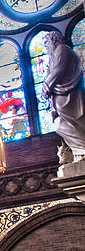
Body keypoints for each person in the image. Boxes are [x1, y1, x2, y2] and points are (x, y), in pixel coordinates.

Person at [42, 30, 85, 163]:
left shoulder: (62, 49)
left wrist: (47, 86)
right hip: (62, 95)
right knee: (60, 124)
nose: (46, 47)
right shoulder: (54, 55)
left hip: (69, 96)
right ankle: (80, 151)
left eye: (46, 43)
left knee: (72, 122)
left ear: (53, 40)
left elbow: (59, 70)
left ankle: (82, 149)